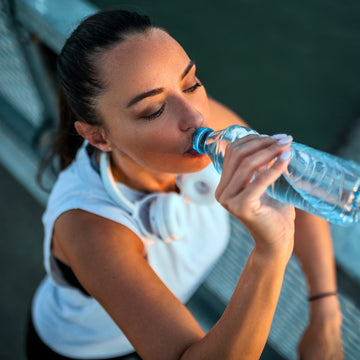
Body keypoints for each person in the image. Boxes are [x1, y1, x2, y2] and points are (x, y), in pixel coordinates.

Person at [26, 9, 344, 360]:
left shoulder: (213, 130)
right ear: (99, 137)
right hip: (80, 352)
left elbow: (293, 183)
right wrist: (271, 249)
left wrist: (326, 313)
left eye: (191, 83)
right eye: (153, 110)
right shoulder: (90, 227)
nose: (195, 117)